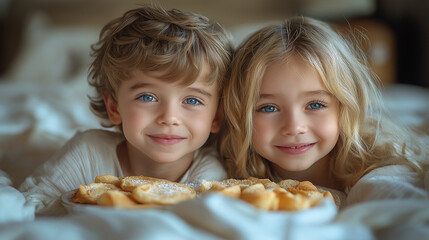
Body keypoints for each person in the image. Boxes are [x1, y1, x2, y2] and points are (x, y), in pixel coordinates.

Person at [19, 5, 233, 215]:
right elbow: (30, 205)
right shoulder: (88, 153)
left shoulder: (211, 177)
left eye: (193, 100)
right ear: (114, 107)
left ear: (217, 116)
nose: (169, 118)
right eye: (147, 97)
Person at [220, 16, 429, 207]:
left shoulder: (380, 172)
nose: (294, 127)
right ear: (238, 113)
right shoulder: (227, 176)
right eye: (269, 108)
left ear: (345, 105)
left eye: (315, 105)